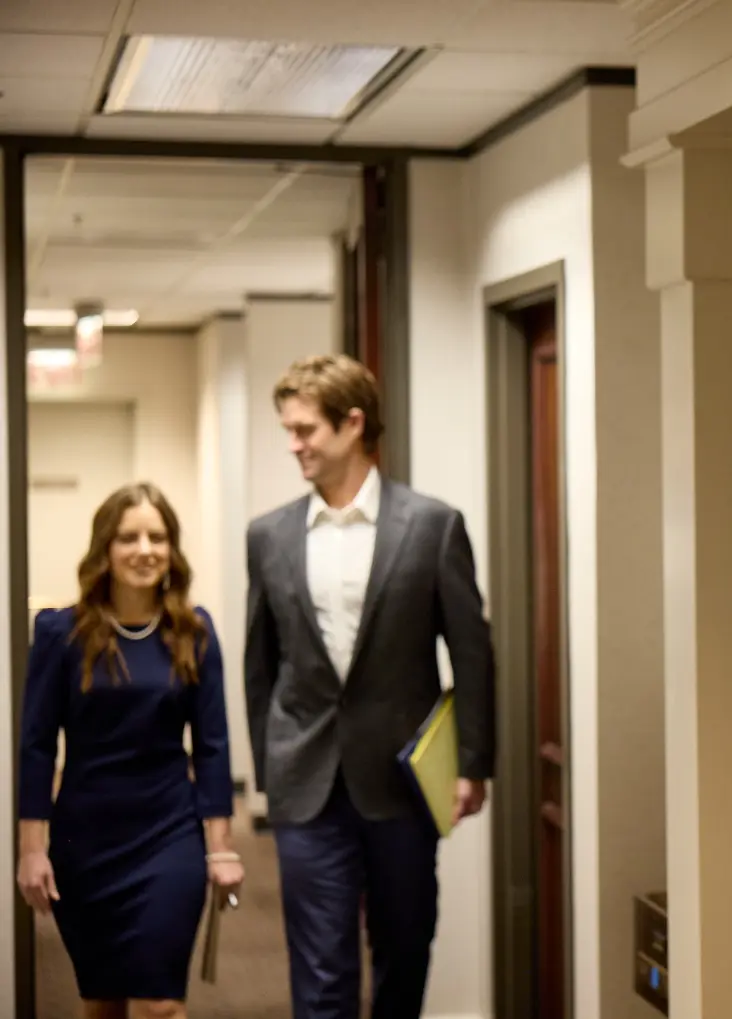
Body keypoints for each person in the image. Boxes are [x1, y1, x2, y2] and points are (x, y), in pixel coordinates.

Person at [245, 353, 496, 1019]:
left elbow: (471, 653)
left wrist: (473, 762)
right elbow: (259, 662)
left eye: (305, 430)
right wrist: (269, 764)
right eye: (289, 431)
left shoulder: (433, 526)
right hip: (306, 778)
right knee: (321, 970)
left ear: (353, 423)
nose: (294, 445)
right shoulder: (268, 535)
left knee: (404, 951)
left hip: (403, 782)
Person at [15, 482, 242, 1019]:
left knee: (161, 1002)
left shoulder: (194, 631)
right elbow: (37, 746)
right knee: (102, 1001)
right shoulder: (59, 632)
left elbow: (212, 747)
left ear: (173, 549)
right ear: (105, 550)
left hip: (168, 833)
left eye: (158, 537)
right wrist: (31, 848)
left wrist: (222, 846)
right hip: (84, 839)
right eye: (128, 537)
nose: (145, 549)